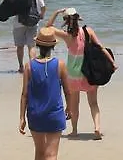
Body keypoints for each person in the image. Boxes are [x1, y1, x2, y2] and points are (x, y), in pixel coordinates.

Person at [19, 27, 71, 160]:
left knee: (40, 152)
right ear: (53, 46)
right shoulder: (60, 65)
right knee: (51, 154)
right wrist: (70, 108)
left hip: (35, 114)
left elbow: (24, 94)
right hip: (54, 114)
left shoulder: (29, 66)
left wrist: (21, 118)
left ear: (38, 45)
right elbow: (67, 90)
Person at [45, 7, 114, 140]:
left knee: (74, 104)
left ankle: (75, 130)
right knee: (93, 103)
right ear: (78, 18)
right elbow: (101, 46)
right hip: (89, 72)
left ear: (66, 21)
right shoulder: (88, 31)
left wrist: (57, 12)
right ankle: (97, 127)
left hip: (73, 74)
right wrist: (112, 62)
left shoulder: (66, 36)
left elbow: (48, 28)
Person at [13, 0, 46, 72]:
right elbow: (43, 7)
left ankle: (21, 67)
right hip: (33, 22)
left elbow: (11, 4)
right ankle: (32, 68)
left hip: (18, 22)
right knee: (31, 46)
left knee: (19, 46)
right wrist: (41, 16)